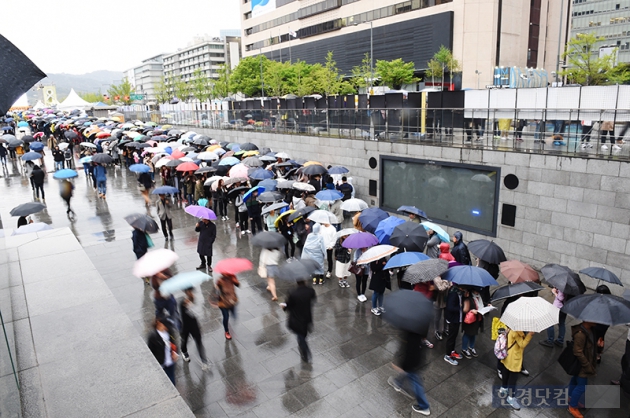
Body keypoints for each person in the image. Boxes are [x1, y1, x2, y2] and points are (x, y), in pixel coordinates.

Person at [387, 331, 431, 415]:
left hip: (412, 358)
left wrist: (398, 361)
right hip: (417, 354)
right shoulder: (419, 324)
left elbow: (407, 348)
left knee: (413, 378)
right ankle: (398, 382)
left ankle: (424, 406)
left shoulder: (410, 328)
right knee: (409, 372)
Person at [499, 329, 535, 410]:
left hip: (508, 355)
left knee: (506, 371)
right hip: (514, 358)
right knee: (513, 379)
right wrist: (530, 335)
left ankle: (504, 388)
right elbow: (522, 344)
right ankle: (511, 398)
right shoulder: (517, 332)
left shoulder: (511, 328)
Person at [282, 279, 317, 362]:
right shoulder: (310, 290)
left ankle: (305, 354)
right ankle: (303, 347)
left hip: (296, 319)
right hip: (307, 317)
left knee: (301, 337)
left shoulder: (293, 293)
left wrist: (284, 307)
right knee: (303, 334)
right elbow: (313, 298)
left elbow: (288, 306)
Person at [567, 321, 597, 418]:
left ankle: (571, 398)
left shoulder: (590, 331)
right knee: (581, 386)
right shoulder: (581, 335)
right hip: (582, 365)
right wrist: (587, 365)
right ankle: (573, 406)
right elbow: (578, 352)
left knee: (575, 380)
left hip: (582, 364)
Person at [179, 288, 209, 370]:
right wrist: (188, 304)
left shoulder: (194, 301)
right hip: (186, 327)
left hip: (194, 326)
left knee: (199, 343)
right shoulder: (182, 302)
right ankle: (183, 351)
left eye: (191, 291)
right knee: (184, 340)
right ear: (186, 292)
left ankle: (204, 361)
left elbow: (198, 312)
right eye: (189, 292)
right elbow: (184, 315)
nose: (191, 293)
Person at [147, 315, 178, 385]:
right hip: (162, 365)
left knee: (172, 381)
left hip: (171, 363)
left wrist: (175, 352)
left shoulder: (169, 332)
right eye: (165, 325)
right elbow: (150, 353)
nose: (167, 328)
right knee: (167, 383)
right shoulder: (153, 337)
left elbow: (174, 343)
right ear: (159, 323)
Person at [215, 273, 240, 340]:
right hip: (223, 303)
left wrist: (235, 281)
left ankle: (232, 314)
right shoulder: (220, 280)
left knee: (233, 314)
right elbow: (216, 291)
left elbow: (238, 285)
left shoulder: (232, 277)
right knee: (226, 317)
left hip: (231, 300)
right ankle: (226, 331)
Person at [443, 285, 464, 365]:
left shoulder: (459, 293)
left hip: (457, 319)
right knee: (451, 337)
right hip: (453, 319)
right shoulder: (453, 293)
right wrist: (460, 307)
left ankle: (452, 351)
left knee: (454, 336)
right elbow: (450, 307)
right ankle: (448, 355)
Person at [461, 288, 484, 359]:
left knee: (474, 333)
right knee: (467, 334)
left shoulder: (479, 297)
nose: (477, 292)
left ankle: (471, 347)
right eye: (476, 290)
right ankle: (464, 349)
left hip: (477, 319)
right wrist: (471, 310)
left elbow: (481, 304)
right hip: (470, 320)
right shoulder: (468, 297)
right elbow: (465, 309)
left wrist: (487, 304)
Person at [433, 275, 451, 341]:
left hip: (446, 300)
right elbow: (441, 289)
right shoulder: (436, 278)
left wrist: (446, 284)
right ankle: (436, 331)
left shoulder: (446, 276)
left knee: (446, 316)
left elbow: (450, 286)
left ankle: (445, 329)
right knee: (437, 317)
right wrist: (446, 281)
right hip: (438, 301)